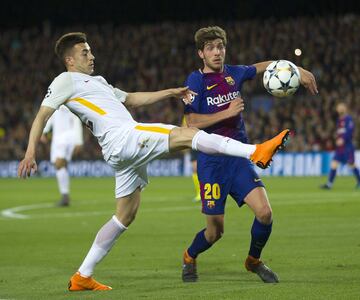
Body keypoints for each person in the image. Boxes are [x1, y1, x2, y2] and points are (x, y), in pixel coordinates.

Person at [18, 32, 291, 291]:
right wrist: (30, 152)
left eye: (90, 51)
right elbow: (42, 116)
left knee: (125, 215)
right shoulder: (64, 81)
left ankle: (82, 275)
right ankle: (255, 151)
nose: (91, 56)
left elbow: (132, 100)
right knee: (188, 134)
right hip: (123, 138)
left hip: (121, 150)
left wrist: (170, 92)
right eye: (85, 53)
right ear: (70, 60)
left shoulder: (98, 82)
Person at [182, 26, 318, 283]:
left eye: (220, 46)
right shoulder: (195, 81)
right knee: (214, 233)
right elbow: (190, 123)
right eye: (210, 47)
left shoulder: (234, 73)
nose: (217, 52)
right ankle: (189, 256)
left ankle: (253, 260)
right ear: (201, 53)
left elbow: (264, 66)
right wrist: (227, 112)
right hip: (211, 163)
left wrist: (297, 70)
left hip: (238, 161)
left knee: (265, 213)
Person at [41, 105, 84, 206]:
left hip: (67, 138)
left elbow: (76, 119)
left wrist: (79, 140)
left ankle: (65, 195)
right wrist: (45, 131)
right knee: (61, 166)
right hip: (58, 138)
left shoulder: (70, 101)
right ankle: (65, 195)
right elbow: (50, 117)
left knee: (58, 164)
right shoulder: (55, 102)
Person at [321, 102, 360, 189]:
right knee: (334, 164)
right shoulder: (339, 120)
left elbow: (350, 131)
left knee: (352, 164)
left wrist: (343, 139)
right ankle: (329, 184)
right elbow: (340, 132)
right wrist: (337, 138)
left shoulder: (348, 119)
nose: (339, 108)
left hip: (348, 146)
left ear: (345, 108)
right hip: (340, 148)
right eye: (338, 107)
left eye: (341, 107)